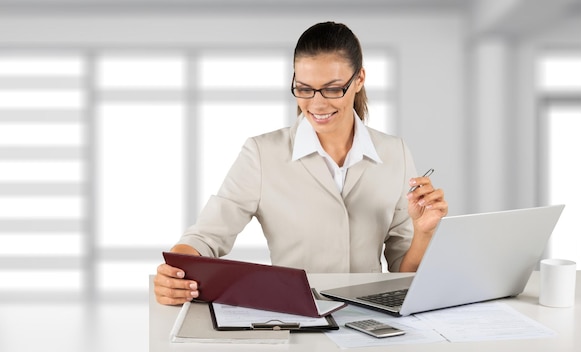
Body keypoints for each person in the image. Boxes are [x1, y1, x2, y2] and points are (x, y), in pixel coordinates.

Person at [154, 21, 448, 305]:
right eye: (304, 88)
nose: (317, 104)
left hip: (371, 320)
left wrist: (423, 233)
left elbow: (403, 274)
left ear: (359, 80)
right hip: (297, 318)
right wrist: (175, 272)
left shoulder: (394, 152)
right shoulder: (262, 154)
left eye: (333, 89)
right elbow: (206, 236)